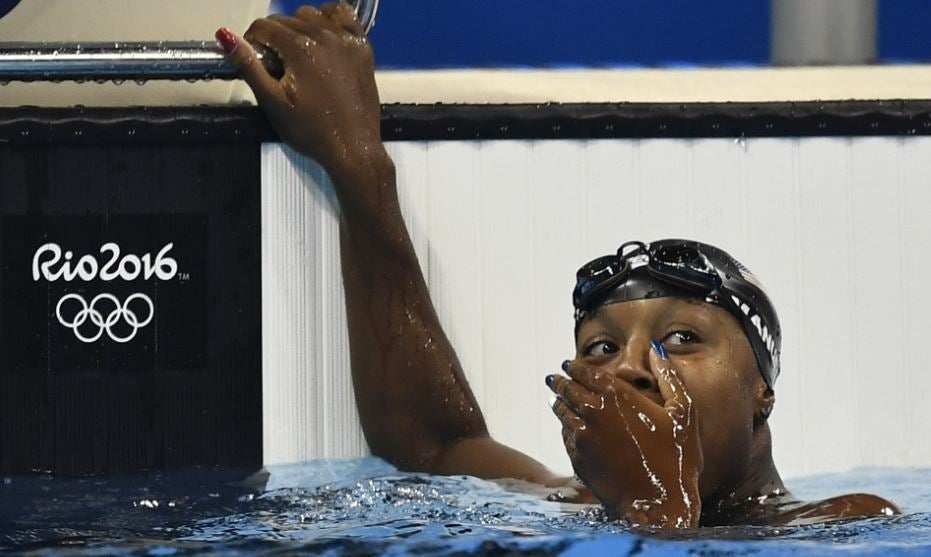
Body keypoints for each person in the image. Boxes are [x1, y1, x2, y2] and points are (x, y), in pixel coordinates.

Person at [214, 3, 901, 529]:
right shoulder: (569, 501)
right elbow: (434, 443)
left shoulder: (848, 521)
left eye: (683, 338)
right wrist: (358, 164)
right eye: (599, 347)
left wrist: (654, 504)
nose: (630, 366)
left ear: (763, 392)